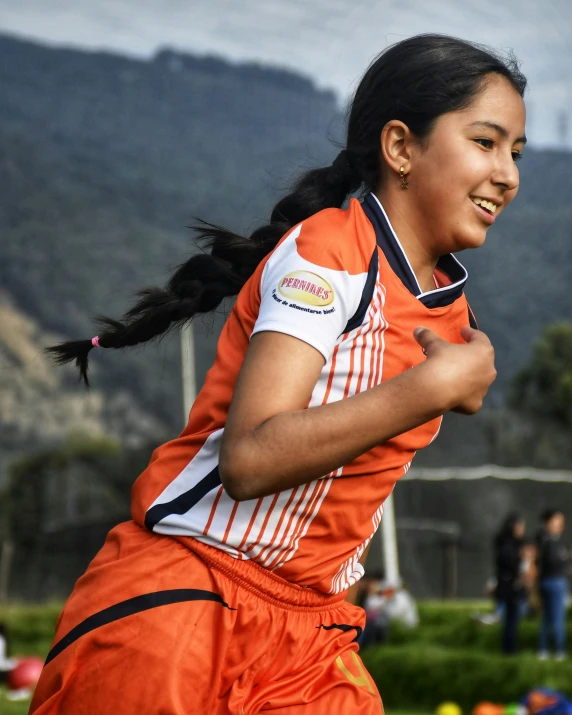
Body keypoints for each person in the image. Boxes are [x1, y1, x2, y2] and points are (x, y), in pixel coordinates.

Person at [31, 34, 526, 714]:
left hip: (312, 637)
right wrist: (427, 391)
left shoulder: (452, 312)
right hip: (188, 605)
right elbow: (250, 457)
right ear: (401, 147)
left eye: (516, 153)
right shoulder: (329, 253)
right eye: (486, 142)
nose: (508, 174)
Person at [537, 509, 569, 660]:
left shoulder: (556, 542)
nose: (560, 524)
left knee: (554, 618)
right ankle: (556, 650)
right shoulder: (544, 540)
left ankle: (553, 650)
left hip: (555, 581)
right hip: (551, 581)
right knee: (552, 618)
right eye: (557, 520)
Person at [494, 513, 527, 654]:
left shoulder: (513, 544)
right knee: (510, 620)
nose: (522, 529)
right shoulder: (507, 545)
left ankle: (510, 648)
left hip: (511, 587)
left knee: (512, 620)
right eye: (520, 526)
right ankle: (509, 650)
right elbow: (510, 565)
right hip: (510, 587)